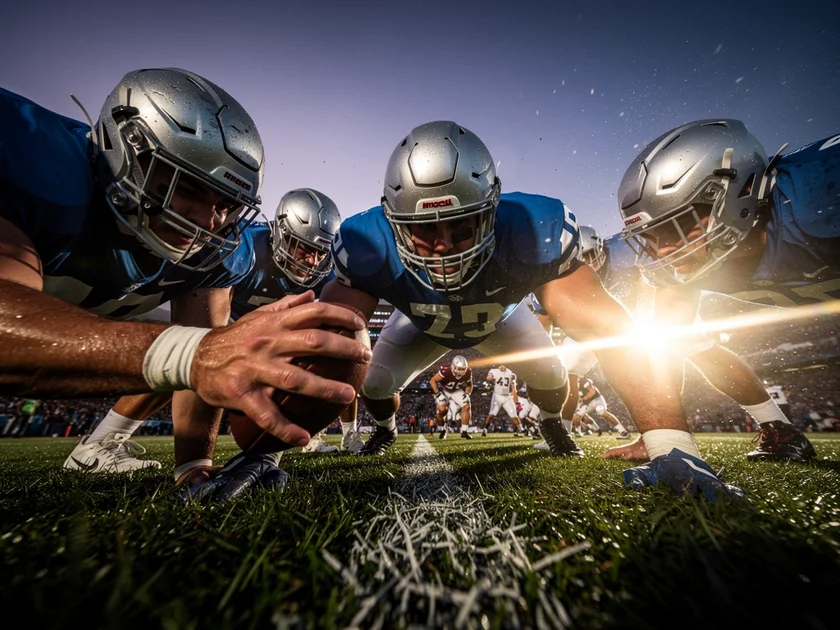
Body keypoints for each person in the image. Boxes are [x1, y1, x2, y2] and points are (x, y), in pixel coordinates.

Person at [319, 120, 743, 501]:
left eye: (461, 225)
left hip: (501, 318)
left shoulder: (531, 227)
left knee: (553, 377)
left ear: (492, 208)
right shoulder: (366, 241)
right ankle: (386, 431)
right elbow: (329, 342)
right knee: (372, 381)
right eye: (423, 230)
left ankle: (552, 421)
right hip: (420, 323)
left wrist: (671, 444)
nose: (443, 246)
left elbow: (608, 330)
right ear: (393, 221)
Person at [0, 68, 370, 479]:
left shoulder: (226, 252)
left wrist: (194, 468)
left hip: (109, 308)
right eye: (189, 188)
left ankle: (105, 447)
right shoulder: (31, 159)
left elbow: (205, 353)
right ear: (127, 150)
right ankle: (105, 439)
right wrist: (192, 354)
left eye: (226, 204)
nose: (209, 221)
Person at [607, 118, 834, 468]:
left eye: (677, 227)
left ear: (739, 194)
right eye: (651, 237)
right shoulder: (681, 260)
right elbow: (666, 347)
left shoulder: (820, 196)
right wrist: (663, 433)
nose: (663, 251)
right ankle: (780, 429)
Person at [429, 354, 473, 439]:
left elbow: (469, 385)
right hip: (444, 390)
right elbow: (433, 380)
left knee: (467, 405)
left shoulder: (468, 372)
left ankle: (464, 432)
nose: (461, 371)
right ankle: (442, 430)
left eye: (463, 369)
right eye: (459, 369)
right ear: (453, 367)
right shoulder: (446, 370)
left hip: (456, 390)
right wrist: (438, 394)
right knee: (442, 410)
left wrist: (467, 394)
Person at [481, 365, 523, 436]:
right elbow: (488, 377)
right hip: (497, 396)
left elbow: (513, 388)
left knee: (514, 415)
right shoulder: (493, 371)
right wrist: (491, 378)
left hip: (507, 397)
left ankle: (522, 429)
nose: (502, 367)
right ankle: (485, 429)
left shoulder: (510, 373)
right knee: (492, 414)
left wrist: (517, 402)